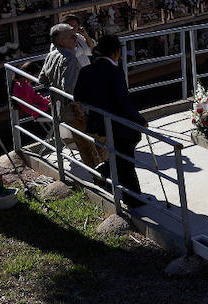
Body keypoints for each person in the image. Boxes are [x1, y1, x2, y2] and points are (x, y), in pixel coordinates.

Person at [73, 35, 148, 202]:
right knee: (127, 157)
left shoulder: (86, 70)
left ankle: (109, 170)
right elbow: (123, 101)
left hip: (99, 121)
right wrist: (140, 120)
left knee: (123, 155)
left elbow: (78, 95)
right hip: (119, 122)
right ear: (116, 52)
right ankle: (132, 197)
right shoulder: (115, 71)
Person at [37, 22, 100, 164]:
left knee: (83, 143)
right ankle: (101, 175)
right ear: (61, 41)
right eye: (71, 36)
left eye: (75, 34)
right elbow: (70, 87)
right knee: (94, 142)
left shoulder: (52, 55)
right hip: (76, 110)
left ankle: (97, 173)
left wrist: (55, 88)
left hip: (61, 108)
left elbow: (42, 79)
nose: (75, 37)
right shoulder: (70, 58)